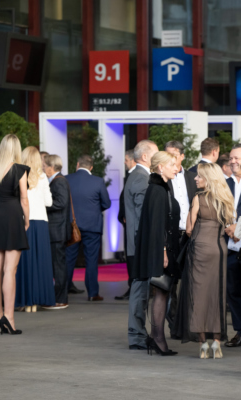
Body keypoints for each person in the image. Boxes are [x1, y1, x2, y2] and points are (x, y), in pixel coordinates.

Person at [178, 162, 234, 360]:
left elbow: (189, 229)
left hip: (199, 250)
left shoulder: (198, 199)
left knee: (198, 295)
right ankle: (217, 343)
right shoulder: (226, 199)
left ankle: (203, 344)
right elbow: (231, 229)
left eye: (199, 176)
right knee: (217, 295)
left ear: (208, 179)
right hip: (219, 251)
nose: (195, 179)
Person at [133, 151, 180, 356]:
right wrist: (162, 251)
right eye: (172, 164)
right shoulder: (158, 189)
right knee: (161, 291)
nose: (176, 168)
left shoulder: (160, 187)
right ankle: (158, 339)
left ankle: (157, 338)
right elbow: (158, 224)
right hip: (163, 249)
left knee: (162, 291)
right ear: (160, 167)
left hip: (164, 247)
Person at [125, 139, 159, 350]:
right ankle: (137, 336)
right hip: (140, 247)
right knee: (140, 292)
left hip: (137, 246)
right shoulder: (141, 178)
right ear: (145, 156)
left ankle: (138, 334)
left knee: (142, 291)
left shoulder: (138, 176)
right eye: (156, 153)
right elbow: (140, 220)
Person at [0, 134, 30, 334]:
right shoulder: (19, 170)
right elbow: (24, 199)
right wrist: (26, 220)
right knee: (10, 270)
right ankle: (9, 317)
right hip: (12, 217)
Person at [65, 155, 111, 301]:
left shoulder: (67, 179)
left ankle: (62, 292)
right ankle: (92, 293)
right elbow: (107, 203)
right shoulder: (97, 181)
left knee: (68, 259)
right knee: (91, 260)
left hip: (72, 226)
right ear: (91, 167)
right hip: (92, 226)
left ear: (77, 164)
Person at [15, 146, 55, 312]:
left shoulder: (17, 175)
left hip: (24, 221)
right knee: (40, 262)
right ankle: (37, 301)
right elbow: (49, 203)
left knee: (24, 262)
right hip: (40, 222)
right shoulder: (43, 178)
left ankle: (25, 300)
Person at [165, 140, 198, 333]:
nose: (171, 158)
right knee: (170, 282)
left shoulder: (193, 178)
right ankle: (173, 324)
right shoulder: (163, 178)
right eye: (167, 154)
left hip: (190, 235)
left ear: (182, 156)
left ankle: (188, 323)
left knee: (191, 280)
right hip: (170, 235)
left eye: (174, 154)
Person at [224, 144, 241, 348]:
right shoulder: (224, 184)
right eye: (231, 158)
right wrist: (228, 228)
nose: (233, 161)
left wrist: (238, 229)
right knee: (233, 291)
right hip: (229, 247)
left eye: (237, 158)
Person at [43, 154, 72, 310]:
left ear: (51, 167)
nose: (42, 168)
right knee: (58, 265)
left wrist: (43, 204)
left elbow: (61, 202)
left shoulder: (58, 181)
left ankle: (60, 299)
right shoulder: (58, 180)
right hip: (57, 229)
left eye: (44, 165)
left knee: (58, 265)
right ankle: (59, 297)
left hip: (57, 230)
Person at [115, 149, 137, 301]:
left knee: (133, 256)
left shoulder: (137, 176)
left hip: (133, 223)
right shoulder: (130, 176)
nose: (124, 162)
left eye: (126, 159)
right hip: (128, 222)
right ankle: (133, 286)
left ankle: (134, 287)